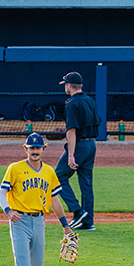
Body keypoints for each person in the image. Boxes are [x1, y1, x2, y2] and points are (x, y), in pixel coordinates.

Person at [0, 132, 74, 266]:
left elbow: (54, 200)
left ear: (44, 149)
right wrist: (8, 210)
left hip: (39, 221)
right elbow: (1, 193)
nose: (35, 151)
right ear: (26, 149)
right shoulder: (15, 168)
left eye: (38, 148)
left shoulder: (49, 172)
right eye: (31, 148)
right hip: (20, 221)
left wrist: (65, 225)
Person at [54, 71, 100, 231]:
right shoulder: (90, 101)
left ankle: (77, 211)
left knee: (58, 175)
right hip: (91, 145)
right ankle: (88, 221)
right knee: (86, 184)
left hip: (79, 145)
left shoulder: (72, 103)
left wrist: (71, 155)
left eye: (65, 84)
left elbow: (71, 131)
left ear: (69, 85)